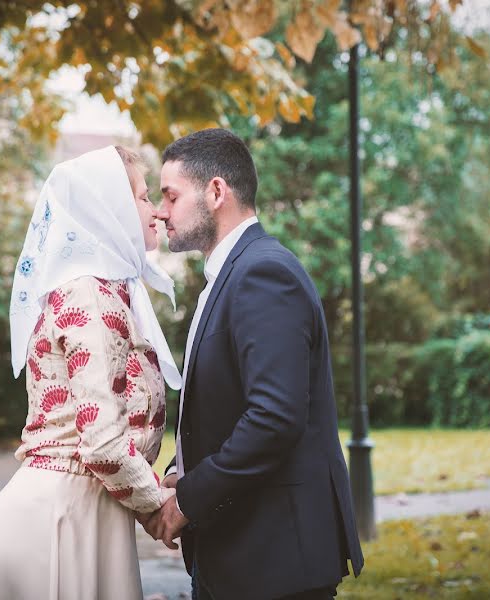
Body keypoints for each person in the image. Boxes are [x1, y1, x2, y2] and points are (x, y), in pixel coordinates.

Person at [144, 128, 365, 599]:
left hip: (275, 559)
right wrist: (179, 472)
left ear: (216, 191)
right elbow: (230, 407)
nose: (161, 211)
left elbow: (273, 418)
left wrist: (188, 501)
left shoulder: (263, 273)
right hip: (243, 553)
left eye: (171, 195)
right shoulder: (233, 273)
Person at [0, 145, 182, 600]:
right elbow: (101, 442)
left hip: (84, 508)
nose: (156, 211)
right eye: (143, 197)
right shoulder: (91, 295)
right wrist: (158, 505)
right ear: (111, 206)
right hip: (63, 517)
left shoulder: (100, 289)